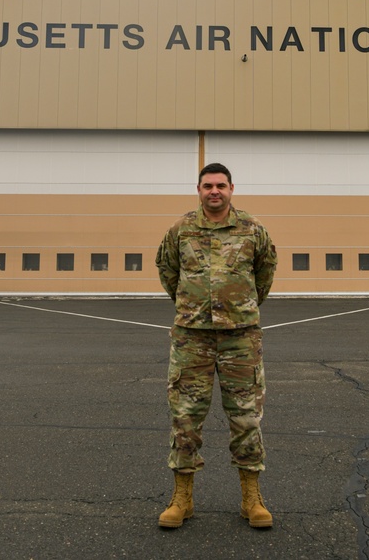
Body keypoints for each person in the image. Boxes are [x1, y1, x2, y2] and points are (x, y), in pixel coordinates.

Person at [154, 162, 278, 529]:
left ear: (231, 189)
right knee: (185, 418)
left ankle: (251, 499)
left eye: (220, 185)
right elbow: (167, 271)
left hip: (241, 337)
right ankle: (182, 499)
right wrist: (191, 305)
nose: (214, 191)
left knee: (246, 417)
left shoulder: (253, 230)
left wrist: (241, 305)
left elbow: (265, 273)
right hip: (192, 337)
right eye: (208, 185)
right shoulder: (181, 230)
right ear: (198, 189)